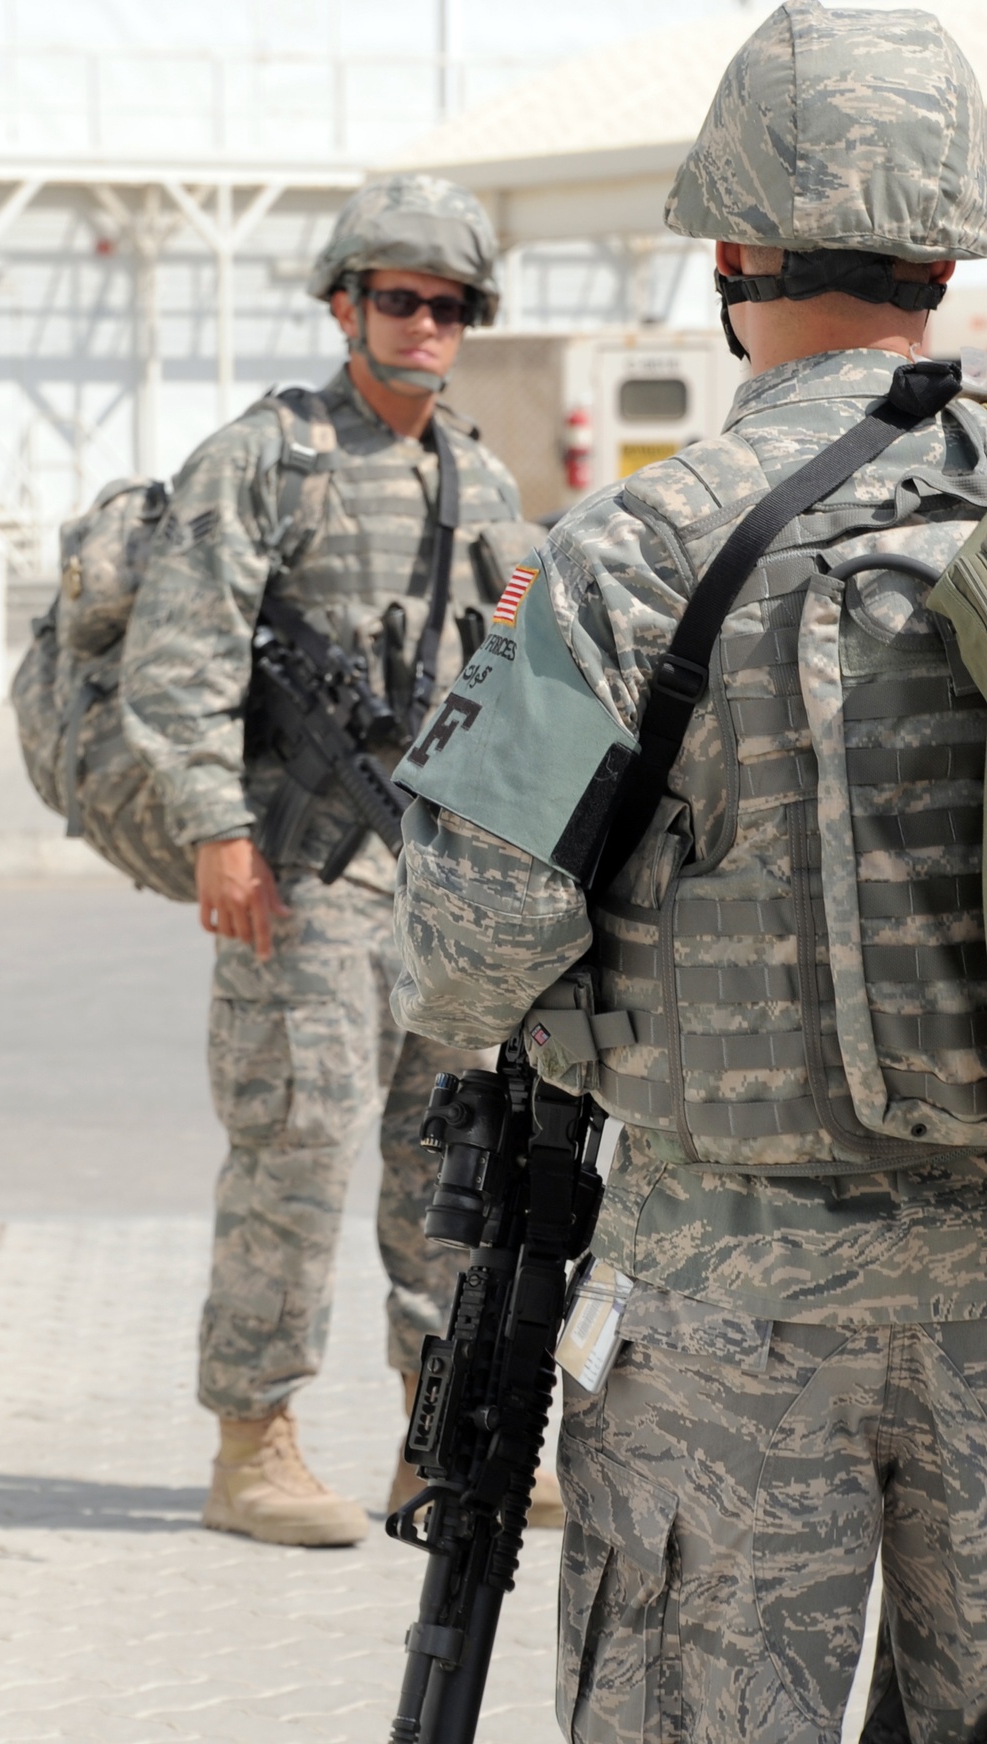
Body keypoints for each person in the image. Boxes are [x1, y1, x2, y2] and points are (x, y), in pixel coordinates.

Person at [389, 3, 987, 1736]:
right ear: (942, 247)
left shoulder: (632, 546)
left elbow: (467, 945)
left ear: (729, 245)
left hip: (732, 1312)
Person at [120, 172, 562, 1548]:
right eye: (400, 298)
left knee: (448, 1168)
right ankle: (253, 1446)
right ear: (343, 301)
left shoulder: (478, 479)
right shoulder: (267, 458)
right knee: (295, 1152)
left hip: (434, 888)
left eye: (451, 304)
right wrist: (215, 830)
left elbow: (514, 672)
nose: (427, 323)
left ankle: (435, 1450)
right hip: (296, 876)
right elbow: (179, 657)